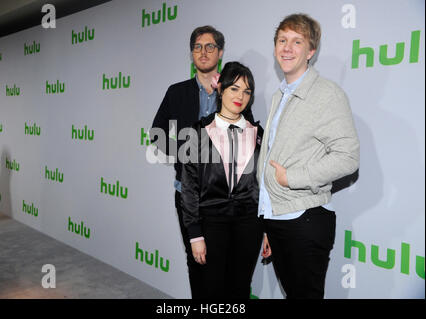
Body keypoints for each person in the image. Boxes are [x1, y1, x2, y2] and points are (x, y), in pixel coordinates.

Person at [257, 13, 360, 299]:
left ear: (311, 51)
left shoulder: (327, 94)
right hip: (280, 217)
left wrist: (292, 178)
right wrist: (267, 218)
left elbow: (348, 157)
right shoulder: (281, 94)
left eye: (296, 41)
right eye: (282, 40)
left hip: (304, 220)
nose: (286, 48)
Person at [151, 26, 254, 298]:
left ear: (220, 52)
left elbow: (249, 137)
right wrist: (187, 154)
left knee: (229, 267)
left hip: (226, 200)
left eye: (210, 46)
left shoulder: (234, 91)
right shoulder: (177, 92)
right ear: (191, 53)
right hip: (187, 194)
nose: (203, 52)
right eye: (197, 46)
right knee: (196, 261)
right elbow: (156, 133)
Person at [180, 61, 264, 299]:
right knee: (211, 288)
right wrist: (195, 234)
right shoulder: (198, 132)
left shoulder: (258, 134)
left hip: (250, 223)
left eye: (247, 91)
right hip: (212, 221)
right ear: (220, 89)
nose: (241, 96)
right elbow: (189, 187)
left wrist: (267, 230)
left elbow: (265, 185)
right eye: (234, 88)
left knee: (240, 288)